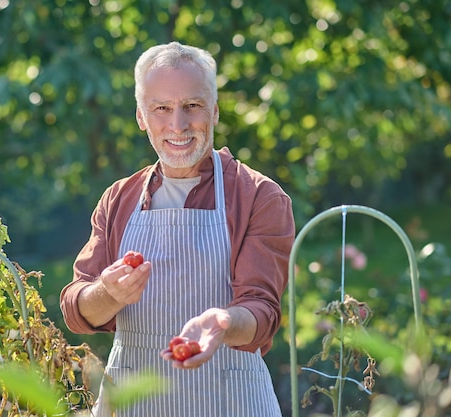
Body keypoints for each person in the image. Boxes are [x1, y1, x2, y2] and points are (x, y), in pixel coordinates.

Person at [60, 41, 295, 416]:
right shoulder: (119, 199)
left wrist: (221, 322)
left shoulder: (258, 197)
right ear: (141, 116)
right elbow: (77, 310)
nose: (178, 125)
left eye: (192, 106)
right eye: (162, 109)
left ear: (214, 111)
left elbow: (263, 313)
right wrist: (108, 292)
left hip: (229, 400)